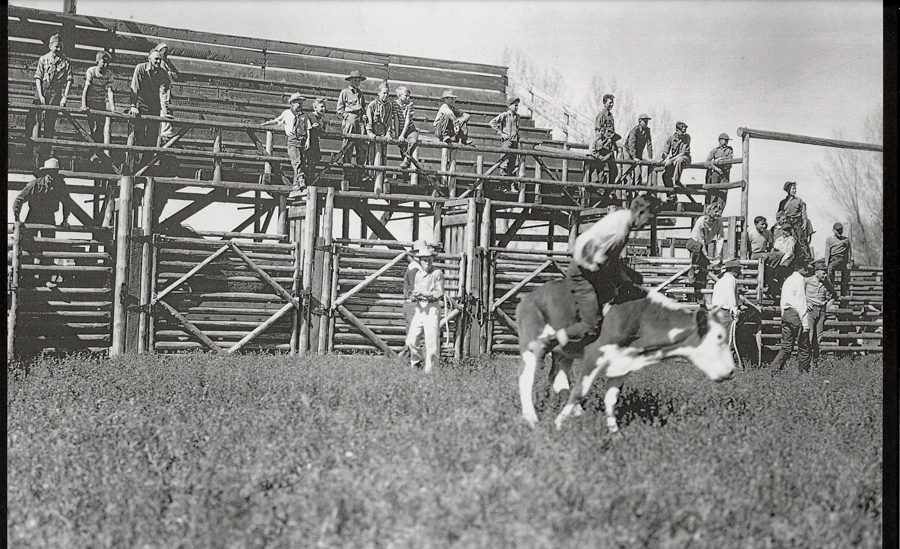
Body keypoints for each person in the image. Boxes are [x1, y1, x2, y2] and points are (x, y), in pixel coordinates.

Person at [533, 195, 656, 352]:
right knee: (591, 325)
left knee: (634, 280)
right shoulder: (620, 232)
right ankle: (548, 342)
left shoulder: (621, 216)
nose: (647, 224)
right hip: (583, 272)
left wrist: (627, 279)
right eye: (648, 219)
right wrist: (617, 284)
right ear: (640, 213)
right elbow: (598, 262)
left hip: (592, 265)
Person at [12, 158, 72, 288]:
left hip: (49, 218)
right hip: (33, 216)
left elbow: (67, 202)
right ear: (45, 172)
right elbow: (18, 201)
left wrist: (65, 219)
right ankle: (26, 278)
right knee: (28, 246)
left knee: (49, 247)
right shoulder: (35, 184)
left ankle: (46, 279)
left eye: (54, 172)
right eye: (50, 172)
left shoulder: (60, 185)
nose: (52, 175)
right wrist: (17, 220)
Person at [29, 33, 74, 163]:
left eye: (60, 47)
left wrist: (64, 97)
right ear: (50, 46)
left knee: (50, 124)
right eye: (56, 46)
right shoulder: (43, 59)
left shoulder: (66, 61)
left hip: (56, 93)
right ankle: (35, 155)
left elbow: (69, 80)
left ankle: (45, 155)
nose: (59, 49)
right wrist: (41, 95)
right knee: (36, 122)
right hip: (42, 90)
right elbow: (38, 77)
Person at [261, 92, 312, 198]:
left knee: (300, 161)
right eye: (299, 103)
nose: (301, 105)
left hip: (302, 140)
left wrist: (308, 141)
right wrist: (267, 123)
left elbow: (308, 129)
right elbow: (277, 120)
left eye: (302, 103)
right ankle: (301, 178)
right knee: (296, 160)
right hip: (292, 140)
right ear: (293, 103)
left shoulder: (304, 116)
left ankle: (295, 184)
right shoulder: (287, 113)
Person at [405, 245, 445, 373]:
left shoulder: (437, 273)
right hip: (419, 309)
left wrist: (429, 295)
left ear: (432, 260)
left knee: (431, 342)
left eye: (429, 259)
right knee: (411, 340)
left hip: (432, 309)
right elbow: (415, 291)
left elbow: (440, 293)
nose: (427, 262)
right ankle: (416, 362)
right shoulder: (418, 274)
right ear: (420, 261)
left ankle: (430, 371)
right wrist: (414, 296)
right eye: (424, 260)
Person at [129, 49, 172, 163]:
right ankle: (135, 161)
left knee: (152, 135)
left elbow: (163, 94)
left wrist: (165, 112)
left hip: (154, 105)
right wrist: (133, 105)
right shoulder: (140, 68)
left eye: (159, 59)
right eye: (156, 59)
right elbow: (135, 87)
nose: (158, 61)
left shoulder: (162, 73)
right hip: (141, 103)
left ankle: (146, 164)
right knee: (139, 132)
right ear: (149, 59)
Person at [771, 260, 812, 372]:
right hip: (795, 314)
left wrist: (783, 314)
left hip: (786, 313)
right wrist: (805, 323)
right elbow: (800, 302)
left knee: (786, 347)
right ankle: (804, 373)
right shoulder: (799, 280)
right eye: (805, 268)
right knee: (803, 345)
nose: (807, 270)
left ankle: (774, 371)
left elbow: (783, 300)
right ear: (800, 268)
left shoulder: (788, 280)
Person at [686, 201, 725, 303]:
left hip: (703, 245)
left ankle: (699, 297)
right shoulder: (701, 221)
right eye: (716, 211)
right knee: (698, 248)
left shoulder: (719, 223)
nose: (718, 214)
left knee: (703, 267)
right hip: (693, 242)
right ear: (709, 211)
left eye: (720, 212)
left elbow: (720, 239)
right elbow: (700, 239)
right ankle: (692, 268)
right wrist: (707, 255)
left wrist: (718, 254)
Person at [336, 70, 368, 185]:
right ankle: (347, 174)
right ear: (350, 81)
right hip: (350, 121)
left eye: (359, 80)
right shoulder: (344, 92)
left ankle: (360, 174)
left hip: (360, 122)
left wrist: (364, 116)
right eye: (355, 80)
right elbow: (339, 109)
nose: (357, 82)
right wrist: (346, 116)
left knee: (362, 148)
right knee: (348, 147)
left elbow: (363, 107)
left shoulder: (360, 93)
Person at [79, 51, 116, 150]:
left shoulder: (109, 73)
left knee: (100, 127)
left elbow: (110, 91)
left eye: (107, 63)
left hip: (101, 102)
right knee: (93, 127)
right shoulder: (91, 71)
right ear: (97, 61)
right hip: (90, 101)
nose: (106, 65)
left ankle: (97, 152)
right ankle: (94, 151)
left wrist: (113, 107)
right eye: (103, 62)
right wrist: (84, 104)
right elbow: (86, 89)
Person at [805, 260, 838, 367]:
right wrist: (805, 303)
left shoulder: (827, 283)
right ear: (816, 273)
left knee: (818, 338)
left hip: (821, 311)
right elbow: (798, 293)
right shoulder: (807, 281)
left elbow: (834, 295)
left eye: (826, 273)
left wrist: (827, 306)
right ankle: (806, 363)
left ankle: (815, 363)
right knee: (809, 336)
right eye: (823, 273)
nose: (825, 275)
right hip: (810, 311)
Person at [366, 83, 395, 180]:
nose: (386, 95)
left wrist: (388, 133)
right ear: (379, 93)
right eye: (384, 93)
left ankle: (383, 175)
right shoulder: (372, 105)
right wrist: (370, 132)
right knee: (371, 154)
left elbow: (389, 121)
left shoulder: (389, 106)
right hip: (373, 133)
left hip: (383, 133)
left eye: (387, 93)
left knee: (383, 155)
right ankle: (371, 175)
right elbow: (369, 119)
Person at [153, 44, 180, 140]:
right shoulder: (160, 64)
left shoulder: (165, 64)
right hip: (161, 90)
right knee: (164, 109)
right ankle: (165, 132)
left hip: (166, 89)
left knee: (167, 109)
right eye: (164, 53)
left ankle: (166, 131)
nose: (165, 55)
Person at [777, 181, 810, 263]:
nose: (794, 190)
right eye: (793, 189)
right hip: (787, 223)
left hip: (797, 223)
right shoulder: (783, 202)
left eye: (795, 189)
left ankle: (806, 260)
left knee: (801, 241)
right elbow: (779, 214)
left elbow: (803, 213)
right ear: (788, 190)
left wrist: (805, 222)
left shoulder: (799, 200)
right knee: (787, 241)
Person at [490, 97, 521, 178]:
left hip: (515, 142)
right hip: (507, 142)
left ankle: (512, 184)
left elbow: (517, 129)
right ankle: (503, 184)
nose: (517, 108)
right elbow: (492, 123)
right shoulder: (505, 115)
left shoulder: (517, 116)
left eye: (517, 106)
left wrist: (518, 137)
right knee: (504, 163)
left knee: (513, 163)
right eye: (515, 105)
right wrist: (501, 133)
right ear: (510, 106)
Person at [660, 121, 691, 197]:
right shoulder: (671, 138)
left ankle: (677, 181)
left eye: (685, 131)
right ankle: (671, 195)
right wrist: (661, 160)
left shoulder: (687, 137)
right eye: (682, 131)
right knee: (665, 175)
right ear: (677, 130)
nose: (684, 133)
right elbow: (665, 152)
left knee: (679, 160)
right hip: (674, 160)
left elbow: (683, 153)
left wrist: (671, 160)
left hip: (685, 158)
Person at [593, 94, 619, 186]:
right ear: (604, 103)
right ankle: (601, 191)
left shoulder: (610, 116)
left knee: (614, 171)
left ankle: (608, 191)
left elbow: (612, 132)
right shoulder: (601, 115)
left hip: (610, 147)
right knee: (602, 171)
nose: (612, 105)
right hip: (603, 147)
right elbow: (597, 131)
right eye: (610, 103)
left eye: (613, 103)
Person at [392, 86, 419, 170]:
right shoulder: (395, 104)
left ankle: (407, 159)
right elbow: (396, 119)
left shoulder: (410, 104)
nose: (408, 98)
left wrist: (402, 135)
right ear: (399, 96)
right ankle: (405, 173)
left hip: (410, 129)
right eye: (406, 95)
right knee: (402, 149)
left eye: (409, 96)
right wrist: (397, 134)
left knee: (413, 141)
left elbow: (407, 121)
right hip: (400, 129)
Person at [623, 114, 653, 186]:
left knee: (638, 172)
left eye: (647, 121)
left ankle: (637, 191)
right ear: (639, 121)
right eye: (644, 121)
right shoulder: (635, 130)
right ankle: (627, 192)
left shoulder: (647, 131)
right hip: (628, 151)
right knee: (628, 171)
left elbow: (649, 144)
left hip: (638, 152)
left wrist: (650, 157)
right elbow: (631, 144)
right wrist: (634, 156)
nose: (646, 122)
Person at [704, 133, 733, 206]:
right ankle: (712, 209)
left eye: (727, 141)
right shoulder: (715, 150)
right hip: (716, 173)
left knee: (723, 192)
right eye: (725, 140)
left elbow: (730, 158)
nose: (726, 142)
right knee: (713, 192)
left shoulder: (729, 150)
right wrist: (716, 168)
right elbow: (707, 162)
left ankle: (720, 211)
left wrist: (720, 158)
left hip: (725, 173)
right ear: (720, 140)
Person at [825, 222, 852, 296]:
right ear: (833, 230)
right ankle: (831, 287)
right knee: (826, 268)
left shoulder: (845, 240)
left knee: (831, 267)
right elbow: (827, 251)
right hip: (832, 259)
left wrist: (849, 262)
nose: (840, 232)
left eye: (841, 230)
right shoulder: (829, 239)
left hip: (840, 259)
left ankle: (840, 291)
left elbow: (849, 251)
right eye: (838, 230)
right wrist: (826, 263)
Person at [306, 97, 328, 181]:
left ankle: (311, 178)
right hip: (307, 140)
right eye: (321, 107)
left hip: (315, 141)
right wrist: (311, 127)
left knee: (315, 159)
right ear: (315, 108)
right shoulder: (309, 116)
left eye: (324, 107)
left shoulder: (324, 119)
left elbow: (324, 132)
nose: (323, 109)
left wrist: (321, 128)